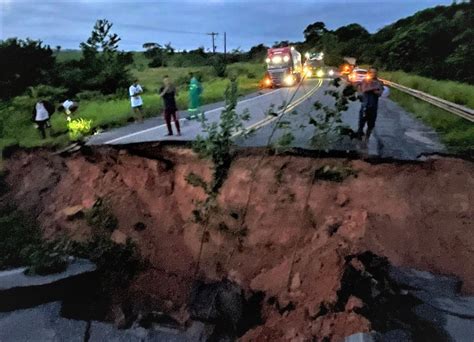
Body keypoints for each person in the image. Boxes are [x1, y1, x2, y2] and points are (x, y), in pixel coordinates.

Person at [357, 67, 384, 141]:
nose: (373, 74)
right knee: (361, 123)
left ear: (377, 73)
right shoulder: (365, 81)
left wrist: (372, 89)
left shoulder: (379, 82)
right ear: (369, 73)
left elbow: (380, 93)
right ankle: (359, 138)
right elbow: (363, 89)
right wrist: (373, 88)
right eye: (371, 72)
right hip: (365, 106)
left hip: (373, 107)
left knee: (371, 124)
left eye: (374, 72)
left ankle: (367, 139)